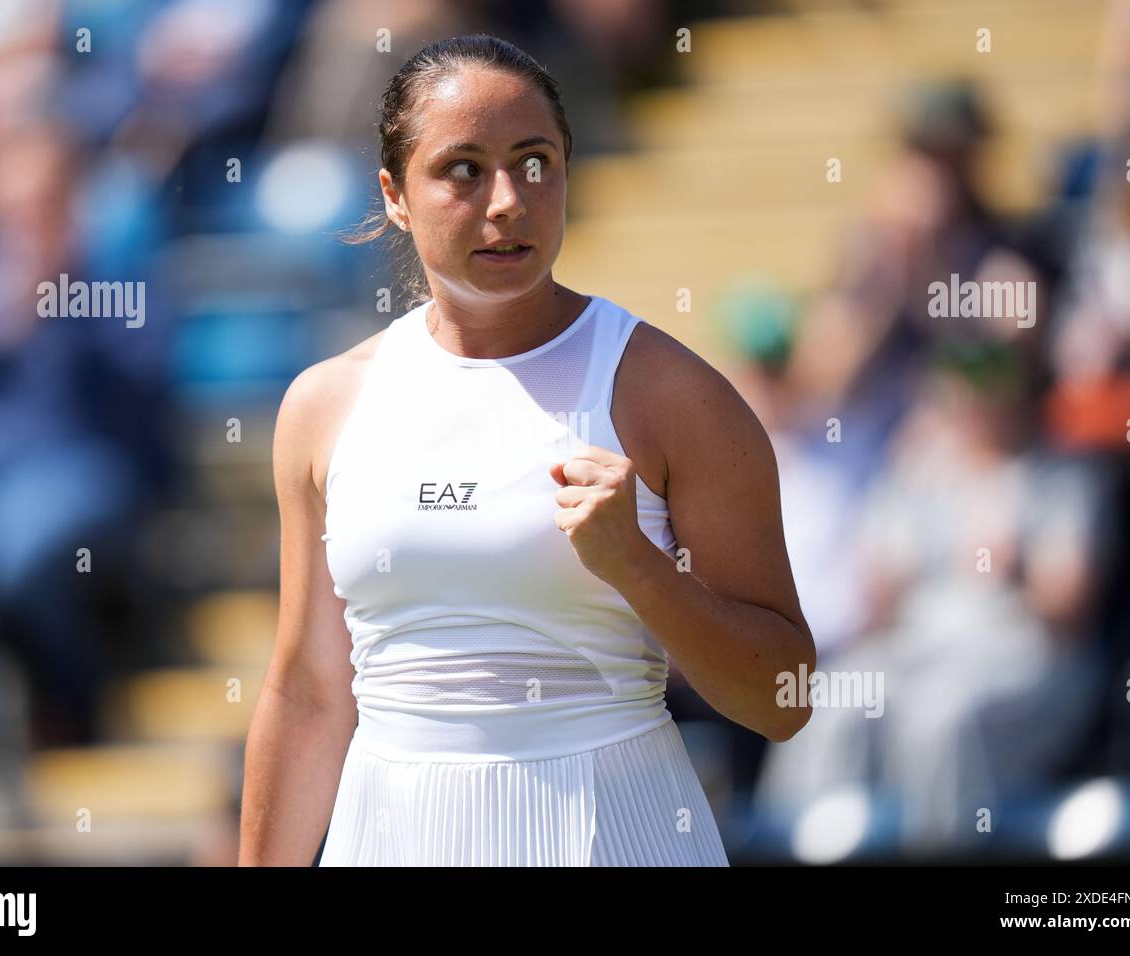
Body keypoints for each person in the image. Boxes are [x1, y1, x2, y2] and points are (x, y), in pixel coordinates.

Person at [238, 34, 815, 867]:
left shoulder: (672, 395)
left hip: (615, 837)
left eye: (534, 161)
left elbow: (784, 700)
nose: (507, 200)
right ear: (395, 194)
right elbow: (306, 694)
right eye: (463, 169)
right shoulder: (323, 407)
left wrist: (641, 571)